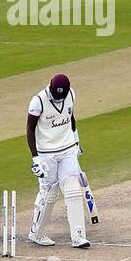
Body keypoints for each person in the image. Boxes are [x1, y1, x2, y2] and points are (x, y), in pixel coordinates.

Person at [26, 73, 90, 248]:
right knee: (49, 192)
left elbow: (71, 118)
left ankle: (78, 236)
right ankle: (36, 233)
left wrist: (76, 142)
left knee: (73, 189)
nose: (58, 99)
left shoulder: (70, 95)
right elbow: (30, 129)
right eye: (56, 95)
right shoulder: (38, 101)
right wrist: (35, 158)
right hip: (47, 153)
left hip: (68, 149)